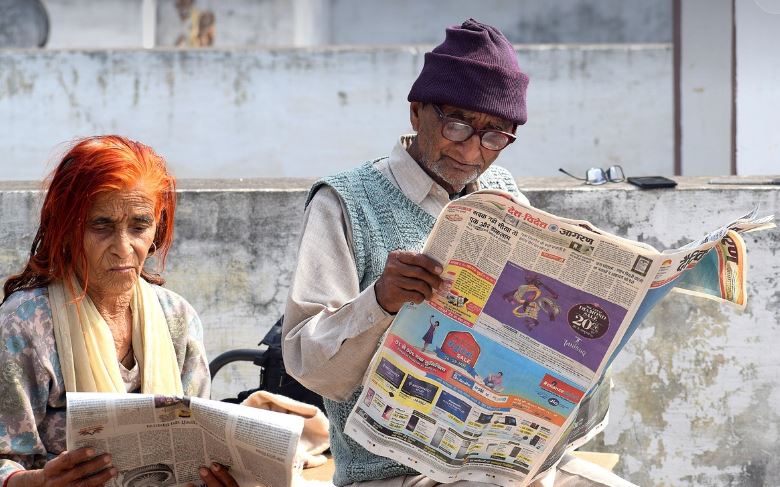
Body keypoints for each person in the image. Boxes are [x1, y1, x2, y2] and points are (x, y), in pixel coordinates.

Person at [283, 19, 635, 487]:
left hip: (504, 459)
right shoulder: (345, 202)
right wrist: (380, 301)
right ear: (416, 113)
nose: (472, 152)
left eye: (495, 136)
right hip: (393, 473)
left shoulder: (500, 191)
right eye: (457, 125)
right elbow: (307, 365)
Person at [0, 136, 237, 487]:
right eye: (101, 226)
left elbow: (199, 445)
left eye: (139, 226)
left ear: (158, 226)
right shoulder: (25, 326)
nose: (124, 248)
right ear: (65, 229)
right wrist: (37, 482)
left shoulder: (177, 319)